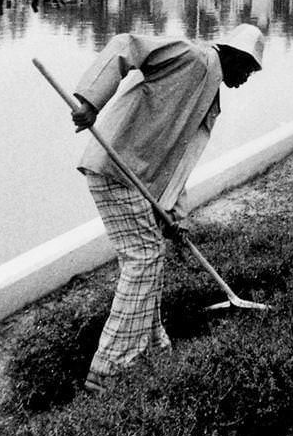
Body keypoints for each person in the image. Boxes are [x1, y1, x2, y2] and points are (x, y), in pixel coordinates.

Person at [70, 22, 265, 394]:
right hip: (116, 166)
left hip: (140, 178)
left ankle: (153, 350)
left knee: (151, 258)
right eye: (249, 69)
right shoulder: (192, 56)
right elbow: (126, 45)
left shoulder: (211, 93)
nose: (246, 79)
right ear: (236, 56)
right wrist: (90, 101)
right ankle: (109, 370)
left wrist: (176, 216)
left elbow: (180, 158)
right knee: (143, 258)